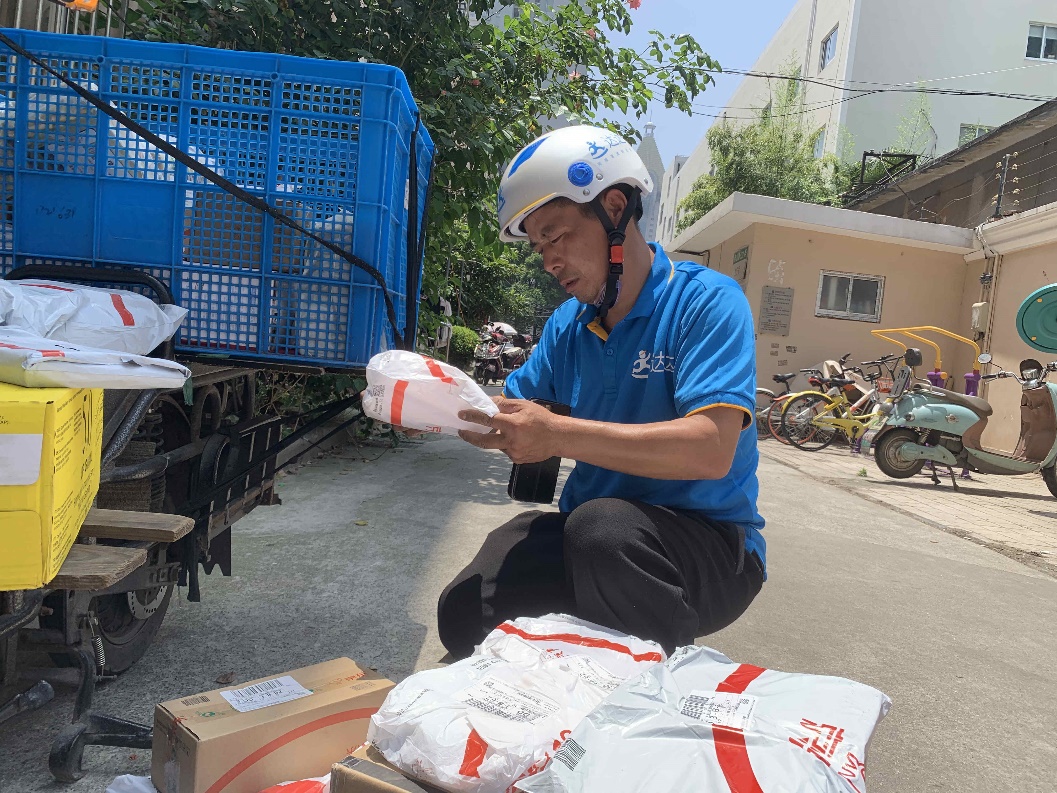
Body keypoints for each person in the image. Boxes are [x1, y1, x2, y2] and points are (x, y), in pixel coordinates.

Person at [437, 125, 765, 659]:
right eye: (539, 246)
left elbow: (710, 448)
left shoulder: (706, 302)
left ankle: (650, 686)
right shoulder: (569, 325)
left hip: (709, 547)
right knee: (464, 613)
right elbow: (514, 409)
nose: (548, 261)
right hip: (596, 542)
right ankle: (591, 641)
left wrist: (556, 434)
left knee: (601, 529)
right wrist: (455, 409)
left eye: (557, 235)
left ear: (615, 207)